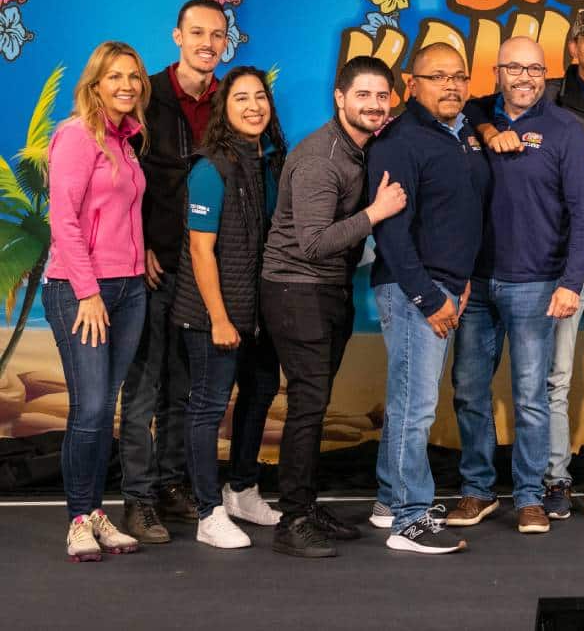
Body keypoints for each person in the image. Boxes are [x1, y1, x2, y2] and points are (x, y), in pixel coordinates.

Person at [471, 7, 584, 524]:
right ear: (571, 51)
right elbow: (473, 101)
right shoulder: (524, 103)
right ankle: (552, 480)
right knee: (548, 379)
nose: (524, 78)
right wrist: (482, 123)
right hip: (533, 271)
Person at [446, 36, 584, 534]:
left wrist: (571, 281)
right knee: (469, 389)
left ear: (546, 74)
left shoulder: (565, 131)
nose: (525, 77)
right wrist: (488, 127)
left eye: (534, 69)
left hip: (536, 283)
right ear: (498, 72)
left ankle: (530, 496)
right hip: (475, 284)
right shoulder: (472, 119)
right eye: (514, 68)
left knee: (531, 395)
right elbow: (458, 105)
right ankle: (477, 490)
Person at [262, 56, 408, 557]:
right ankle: (293, 519)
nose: (373, 104)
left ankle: (305, 503)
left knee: (314, 403)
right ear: (339, 98)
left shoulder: (362, 150)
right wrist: (375, 213)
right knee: (308, 405)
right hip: (296, 288)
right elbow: (313, 242)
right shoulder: (323, 158)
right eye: (362, 94)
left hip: (328, 290)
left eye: (381, 95)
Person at [369, 44, 490, 554]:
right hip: (413, 290)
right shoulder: (400, 141)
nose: (451, 86)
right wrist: (428, 296)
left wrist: (458, 285)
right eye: (437, 76)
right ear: (410, 82)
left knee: (411, 403)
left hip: (447, 287)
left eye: (459, 76)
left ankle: (386, 500)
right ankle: (408, 518)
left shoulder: (461, 133)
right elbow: (392, 234)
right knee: (413, 408)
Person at [119, 0, 226, 543]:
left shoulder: (231, 100)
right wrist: (137, 245)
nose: (208, 44)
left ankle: (168, 483)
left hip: (202, 268)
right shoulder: (145, 97)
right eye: (198, 33)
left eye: (217, 36)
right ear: (177, 36)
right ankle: (136, 498)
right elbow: (118, 176)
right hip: (150, 264)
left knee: (185, 387)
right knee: (143, 385)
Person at [171, 66, 286, 549]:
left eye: (260, 97)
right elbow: (201, 251)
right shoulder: (209, 168)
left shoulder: (270, 164)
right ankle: (207, 512)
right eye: (241, 98)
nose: (253, 106)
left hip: (258, 312)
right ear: (225, 109)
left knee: (259, 394)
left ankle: (240, 488)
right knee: (208, 407)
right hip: (211, 313)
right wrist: (219, 317)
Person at [44, 40, 150, 561]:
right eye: (115, 77)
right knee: (89, 409)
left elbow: (121, 213)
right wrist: (87, 291)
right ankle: (79, 519)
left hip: (130, 289)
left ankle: (96, 511)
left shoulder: (127, 141)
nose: (126, 85)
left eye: (133, 76)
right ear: (95, 84)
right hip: (79, 289)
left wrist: (142, 255)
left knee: (103, 406)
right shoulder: (76, 136)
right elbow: (62, 220)